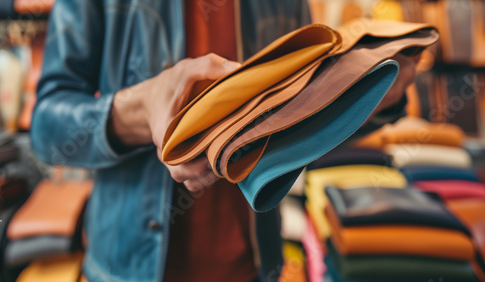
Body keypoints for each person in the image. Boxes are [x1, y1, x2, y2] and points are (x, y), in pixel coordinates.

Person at [31, 0, 419, 281]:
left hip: (254, 265)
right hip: (125, 268)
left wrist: (371, 94)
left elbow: (298, 134)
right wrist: (140, 107)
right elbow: (47, 129)